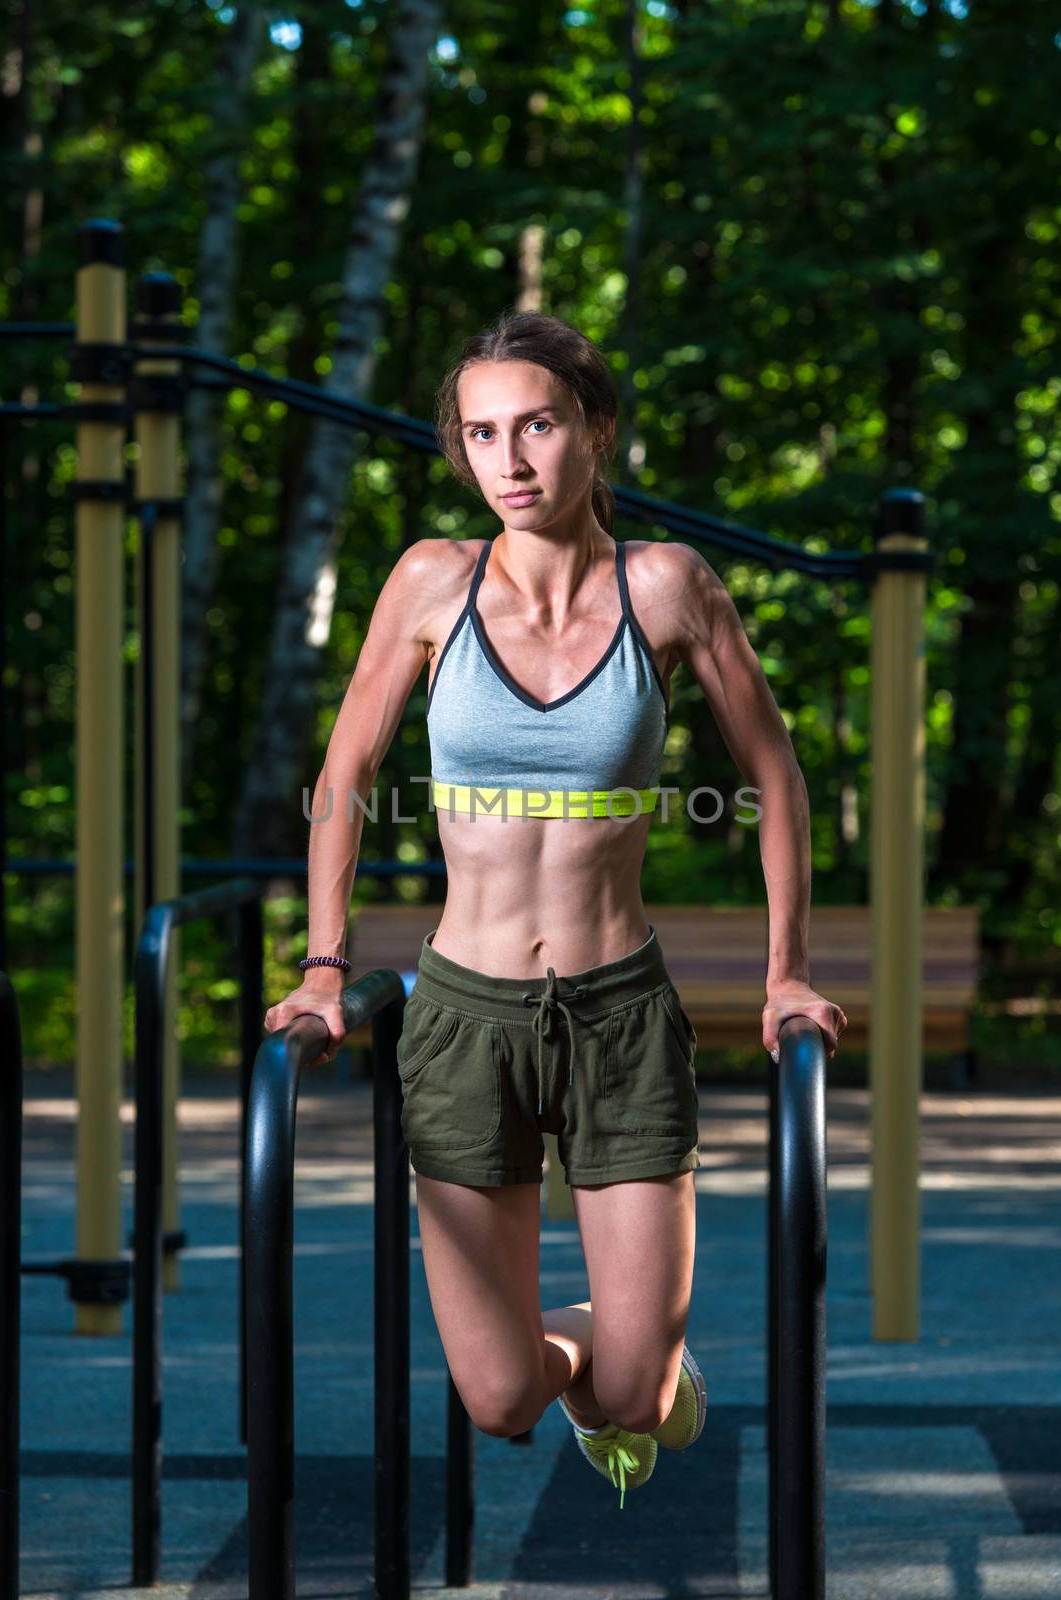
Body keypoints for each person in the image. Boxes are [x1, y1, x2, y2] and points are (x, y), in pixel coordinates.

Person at [263, 308, 847, 1510]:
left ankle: (644, 1377)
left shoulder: (669, 588)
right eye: (481, 434)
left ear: (596, 430)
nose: (510, 459)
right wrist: (325, 965)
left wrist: (789, 969)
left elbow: (777, 775)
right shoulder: (431, 580)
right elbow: (344, 778)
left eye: (537, 423)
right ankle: (603, 1355)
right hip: (464, 1015)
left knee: (636, 1398)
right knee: (499, 1400)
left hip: (620, 1011)